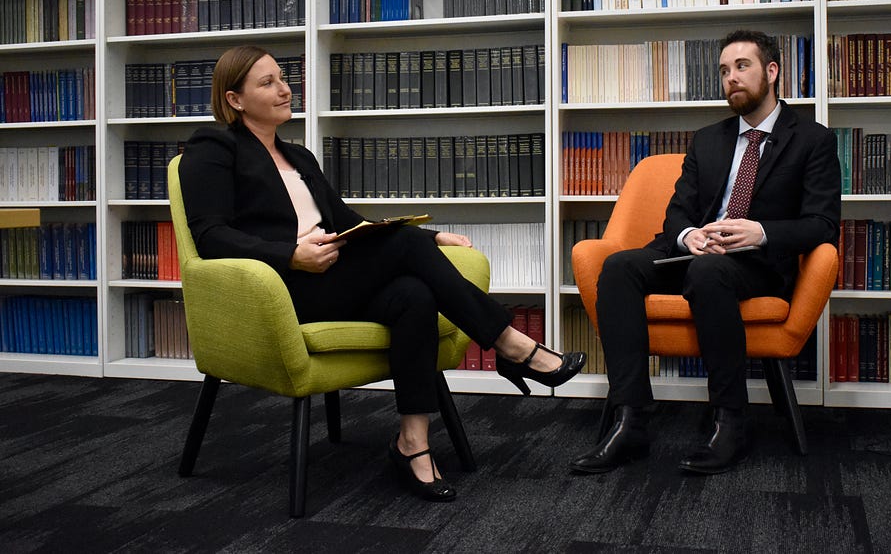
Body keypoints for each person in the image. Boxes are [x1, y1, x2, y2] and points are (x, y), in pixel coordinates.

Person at [178, 46, 586, 502]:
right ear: (235, 99)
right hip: (279, 288)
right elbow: (210, 236)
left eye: (283, 77)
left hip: (332, 277)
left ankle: (413, 443)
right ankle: (511, 345)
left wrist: (432, 241)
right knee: (403, 247)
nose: (285, 88)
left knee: (413, 295)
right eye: (267, 82)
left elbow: (343, 218)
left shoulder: (300, 156)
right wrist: (289, 255)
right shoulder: (213, 148)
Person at [569, 30, 841, 475]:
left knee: (710, 273)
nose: (731, 78)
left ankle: (731, 420)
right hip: (697, 255)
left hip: (756, 264)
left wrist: (760, 232)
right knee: (619, 267)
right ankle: (631, 417)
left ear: (772, 72)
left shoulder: (812, 139)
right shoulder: (707, 140)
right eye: (723, 71)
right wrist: (689, 235)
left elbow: (824, 224)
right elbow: (677, 214)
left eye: (742, 66)